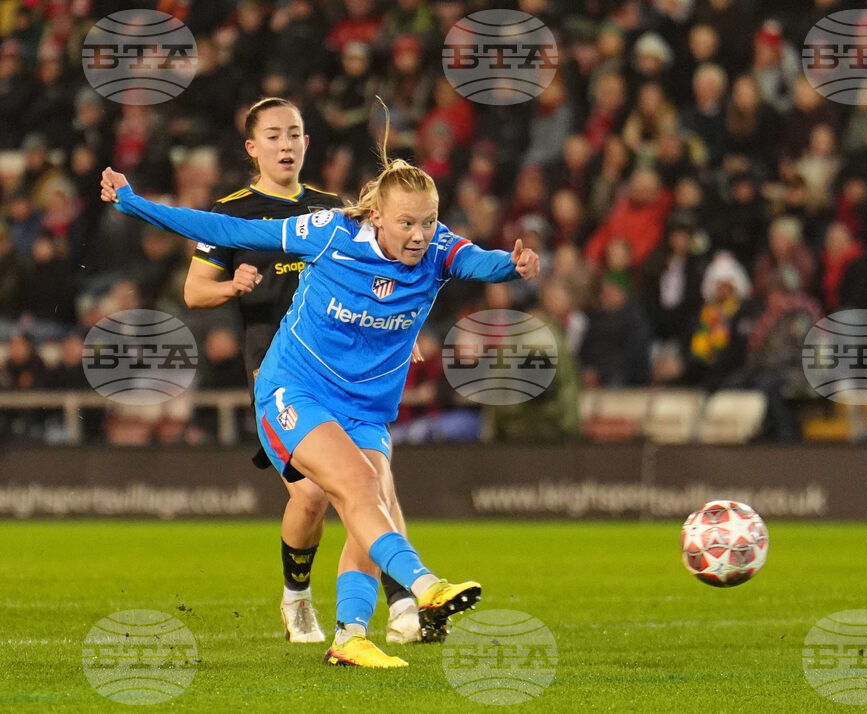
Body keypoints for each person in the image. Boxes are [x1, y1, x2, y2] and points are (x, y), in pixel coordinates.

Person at [100, 125, 540, 668]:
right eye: (407, 222)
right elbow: (226, 226)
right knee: (353, 486)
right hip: (295, 387)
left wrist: (511, 264)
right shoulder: (330, 232)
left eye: (428, 221)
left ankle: (350, 636)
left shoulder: (438, 249)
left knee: (369, 505)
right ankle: (424, 585)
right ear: (377, 216)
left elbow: (478, 261)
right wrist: (133, 202)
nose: (420, 234)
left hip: (367, 408)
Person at [184, 97, 371, 646]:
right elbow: (194, 291)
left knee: (363, 485)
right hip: (273, 362)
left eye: (294, 134)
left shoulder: (331, 207)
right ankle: (297, 599)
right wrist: (231, 287)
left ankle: (393, 608)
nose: (285, 144)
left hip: (338, 361)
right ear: (252, 147)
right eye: (273, 135)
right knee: (312, 495)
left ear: (307, 142)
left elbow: (364, 280)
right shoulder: (231, 213)